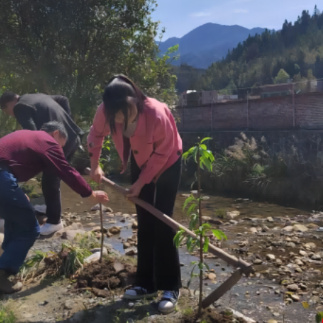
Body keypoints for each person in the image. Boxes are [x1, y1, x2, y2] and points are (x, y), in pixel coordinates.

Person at [87, 75, 182, 314]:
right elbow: (95, 135)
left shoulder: (156, 113)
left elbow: (163, 153)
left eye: (121, 113)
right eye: (113, 115)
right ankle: (145, 284)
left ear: (132, 103)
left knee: (162, 221)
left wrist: (140, 183)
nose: (117, 119)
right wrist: (95, 164)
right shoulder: (107, 110)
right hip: (141, 160)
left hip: (167, 161)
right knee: (145, 222)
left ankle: (171, 287)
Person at [0, 121, 109, 294]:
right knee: (30, 229)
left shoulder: (28, 136)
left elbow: (12, 163)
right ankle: (2, 273)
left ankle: (4, 265)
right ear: (56, 134)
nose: (60, 150)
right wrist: (91, 194)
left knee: (15, 222)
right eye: (61, 145)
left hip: (4, 177)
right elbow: (65, 170)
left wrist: (16, 191)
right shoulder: (46, 140)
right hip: (3, 177)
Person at [0, 92, 85, 236]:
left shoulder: (20, 107)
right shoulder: (36, 96)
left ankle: (54, 221)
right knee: (53, 177)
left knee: (50, 179)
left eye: (7, 112)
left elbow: (33, 135)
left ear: (8, 105)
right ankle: (50, 207)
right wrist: (65, 126)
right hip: (72, 138)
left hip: (58, 142)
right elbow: (63, 99)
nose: (11, 114)